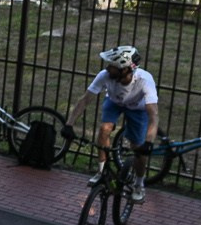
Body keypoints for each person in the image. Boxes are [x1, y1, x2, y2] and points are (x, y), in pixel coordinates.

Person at [67, 45, 158, 201]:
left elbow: (154, 115)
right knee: (104, 129)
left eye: (112, 66)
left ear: (125, 69)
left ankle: (138, 184)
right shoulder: (105, 75)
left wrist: (149, 142)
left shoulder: (144, 80)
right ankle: (101, 171)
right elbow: (84, 100)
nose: (107, 68)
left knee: (138, 148)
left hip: (137, 108)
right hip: (114, 102)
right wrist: (69, 124)